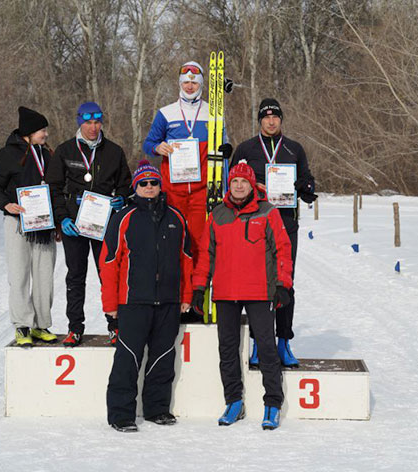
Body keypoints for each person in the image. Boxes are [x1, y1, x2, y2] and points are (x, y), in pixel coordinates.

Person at [191, 161, 294, 430]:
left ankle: (272, 402)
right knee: (227, 349)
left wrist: (283, 285)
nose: (238, 186)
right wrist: (199, 287)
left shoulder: (267, 213)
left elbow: (282, 249)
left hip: (259, 291)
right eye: (234, 182)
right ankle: (233, 401)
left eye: (244, 182)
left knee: (267, 348)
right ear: (229, 185)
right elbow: (206, 255)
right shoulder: (217, 215)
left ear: (252, 186)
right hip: (225, 292)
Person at [100, 161, 193, 432]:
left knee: (163, 357)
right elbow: (108, 262)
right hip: (132, 301)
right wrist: (110, 305)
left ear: (160, 186)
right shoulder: (123, 218)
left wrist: (186, 295)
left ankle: (157, 409)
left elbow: (186, 259)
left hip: (168, 300)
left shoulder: (176, 217)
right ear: (135, 187)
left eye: (153, 183)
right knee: (128, 358)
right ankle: (120, 413)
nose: (149, 187)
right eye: (144, 183)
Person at [231, 97, 316, 367]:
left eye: (275, 117)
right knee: (258, 284)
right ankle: (258, 342)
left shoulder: (294, 149)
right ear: (259, 120)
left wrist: (305, 185)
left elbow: (308, 185)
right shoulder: (246, 148)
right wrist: (254, 187)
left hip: (286, 223)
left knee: (284, 282)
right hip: (255, 224)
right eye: (266, 117)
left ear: (281, 120)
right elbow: (231, 185)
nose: (271, 121)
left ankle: (284, 342)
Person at [46, 101, 132, 347]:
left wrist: (122, 198)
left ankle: (115, 326)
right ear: (79, 122)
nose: (93, 128)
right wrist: (62, 218)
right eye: (88, 122)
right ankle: (75, 328)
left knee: (109, 274)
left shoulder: (114, 151)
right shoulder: (65, 151)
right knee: (75, 276)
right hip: (75, 224)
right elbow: (53, 188)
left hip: (104, 223)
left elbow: (125, 183)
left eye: (97, 122)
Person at [142, 62, 232, 270]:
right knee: (174, 240)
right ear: (180, 84)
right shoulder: (166, 113)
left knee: (200, 242)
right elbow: (148, 144)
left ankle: (198, 293)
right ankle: (177, 292)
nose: (189, 86)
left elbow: (224, 144)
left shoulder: (213, 112)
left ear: (200, 84)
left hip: (201, 191)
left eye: (193, 82)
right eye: (185, 82)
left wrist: (226, 150)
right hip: (174, 191)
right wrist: (158, 148)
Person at [0, 106, 58, 347]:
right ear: (28, 132)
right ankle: (22, 326)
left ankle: (41, 325)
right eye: (42, 129)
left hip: (44, 227)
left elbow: (56, 189)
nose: (46, 134)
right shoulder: (8, 154)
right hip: (18, 224)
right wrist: (6, 204)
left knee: (44, 278)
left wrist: (57, 221)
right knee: (19, 277)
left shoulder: (48, 154)